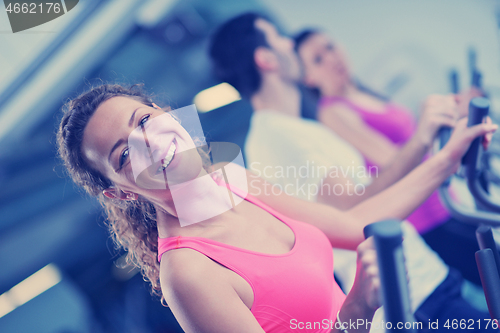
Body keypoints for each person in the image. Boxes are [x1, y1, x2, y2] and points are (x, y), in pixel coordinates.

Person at [208, 12, 497, 332]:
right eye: (279, 37)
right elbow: (353, 209)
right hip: (414, 297)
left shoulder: (295, 128)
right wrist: (433, 146)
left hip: (424, 279)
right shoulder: (278, 136)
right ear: (266, 58)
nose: (290, 44)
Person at [58, 83, 388, 333]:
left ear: (164, 111)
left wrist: (438, 163)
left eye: (144, 119)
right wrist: (358, 305)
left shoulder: (232, 179)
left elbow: (356, 226)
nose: (151, 142)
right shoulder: (188, 273)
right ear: (121, 194)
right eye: (125, 155)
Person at [293, 29, 485, 283]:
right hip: (426, 220)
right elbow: (393, 159)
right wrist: (434, 120)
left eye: (330, 47)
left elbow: (416, 141)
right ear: (308, 77)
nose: (331, 57)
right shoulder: (332, 112)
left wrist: (452, 113)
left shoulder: (366, 93)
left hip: (446, 203)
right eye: (318, 59)